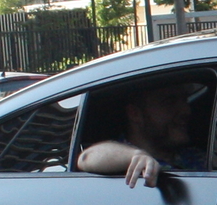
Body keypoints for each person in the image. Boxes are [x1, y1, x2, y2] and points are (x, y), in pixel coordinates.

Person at [77, 80, 209, 187]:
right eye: (169, 102)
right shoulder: (119, 158)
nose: (186, 110)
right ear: (135, 114)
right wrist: (136, 156)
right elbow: (87, 158)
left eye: (185, 100)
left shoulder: (195, 156)